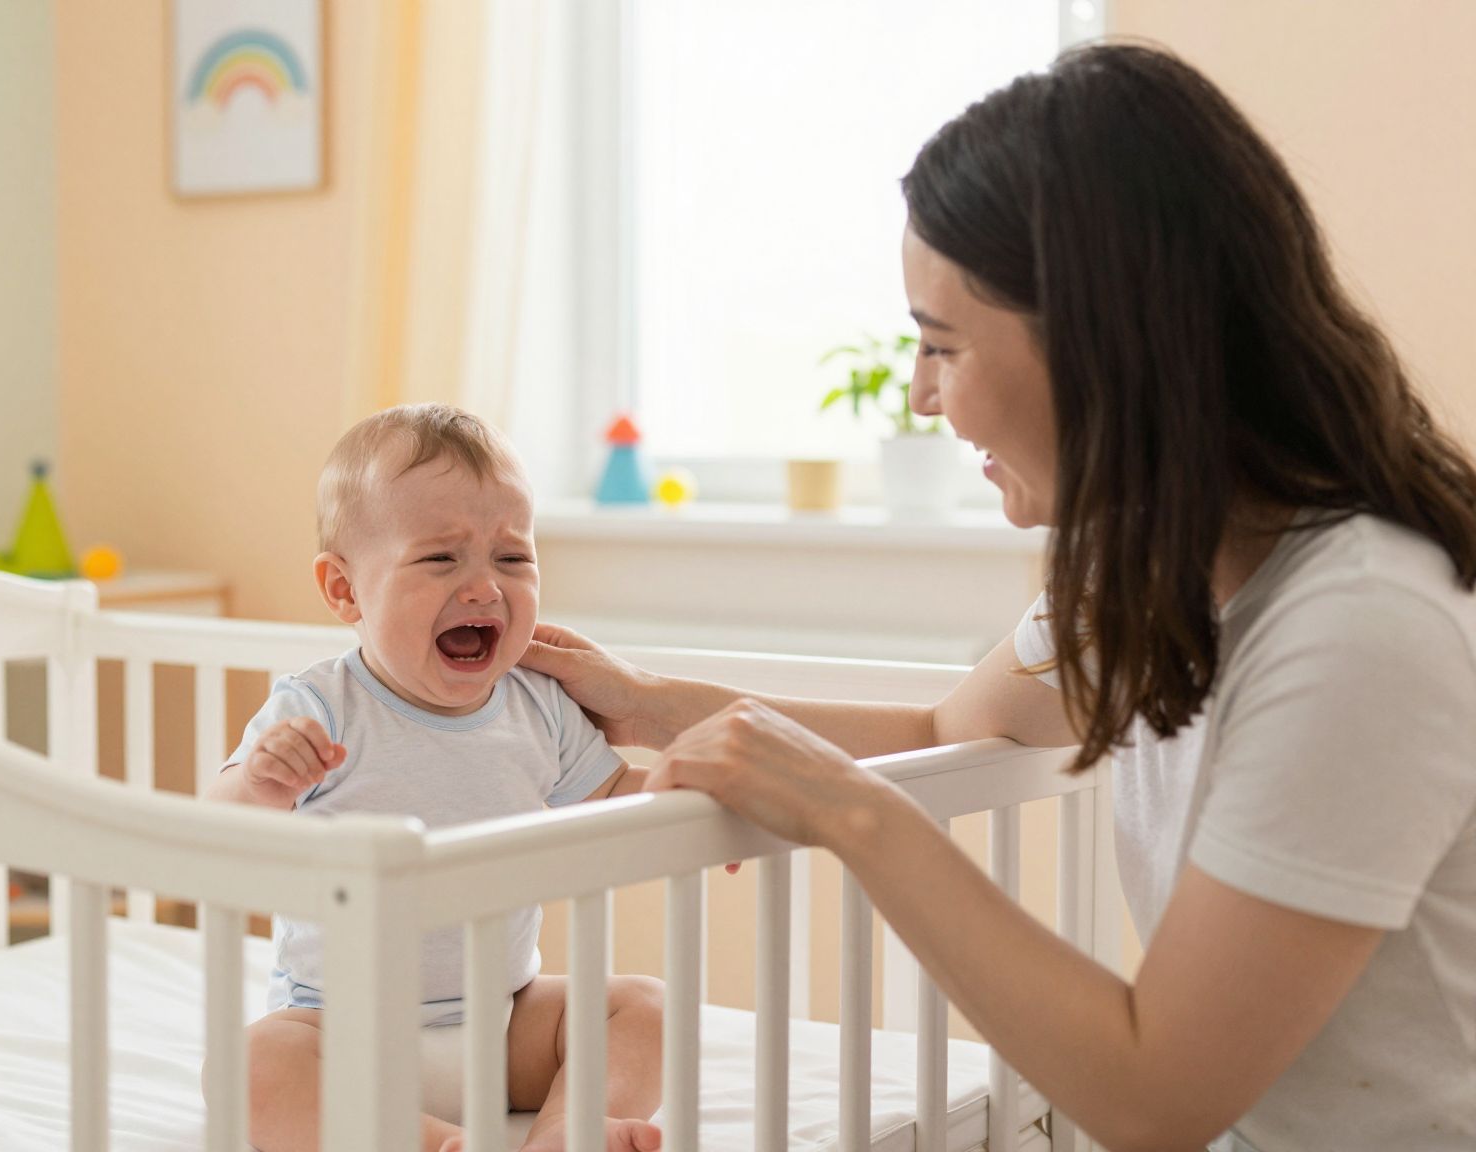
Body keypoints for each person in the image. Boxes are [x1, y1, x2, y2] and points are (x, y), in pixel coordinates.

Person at [521, 44, 1476, 1152]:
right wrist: (649, 705)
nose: (922, 394)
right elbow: (943, 731)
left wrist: (849, 815)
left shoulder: (1360, 630)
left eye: (940, 345)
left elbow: (1154, 1097)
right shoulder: (1152, 577)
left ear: (1097, 341)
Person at [206, 403, 664, 1152]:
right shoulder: (320, 706)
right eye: (441, 559)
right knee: (254, 1065)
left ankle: (564, 1131)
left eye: (512, 559)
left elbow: (614, 800)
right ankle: (416, 1140)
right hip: (339, 1030)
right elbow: (214, 823)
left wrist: (689, 796)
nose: (485, 588)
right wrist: (261, 784)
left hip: (503, 1021)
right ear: (345, 591)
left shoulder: (538, 704)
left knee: (645, 1007)